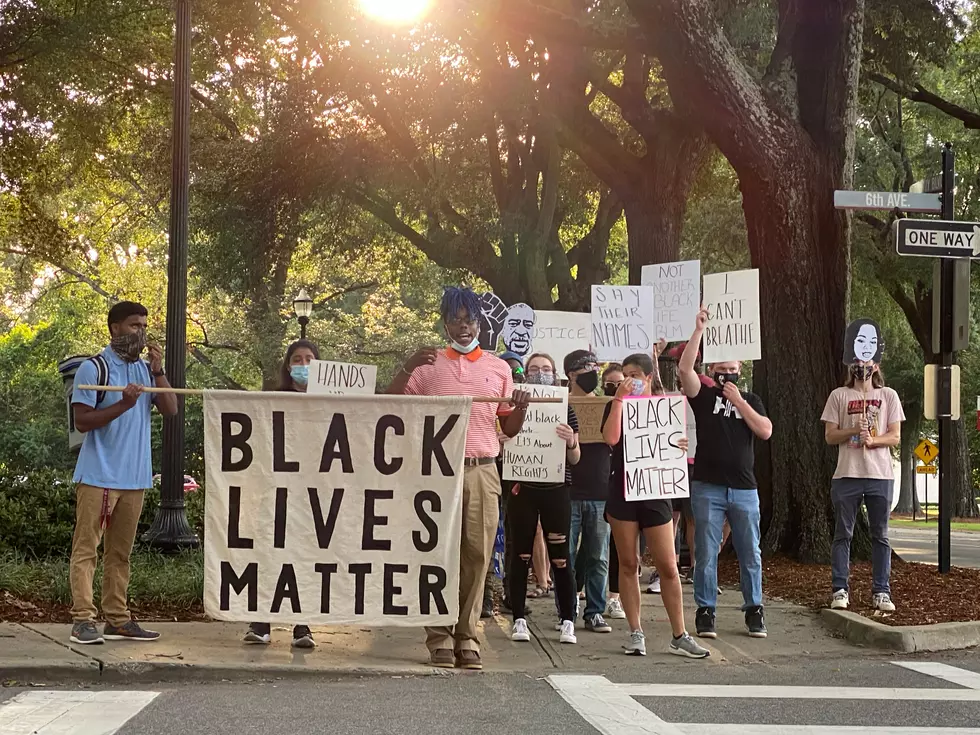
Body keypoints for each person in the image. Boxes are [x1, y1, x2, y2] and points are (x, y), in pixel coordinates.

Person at [390, 286, 530, 670]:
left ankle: (467, 635)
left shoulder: (499, 368)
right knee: (437, 554)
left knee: (477, 554)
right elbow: (388, 404)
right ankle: (438, 636)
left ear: (479, 322)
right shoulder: (426, 364)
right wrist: (405, 367)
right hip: (435, 471)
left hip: (483, 469)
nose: (463, 327)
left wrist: (519, 408)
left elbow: (510, 427)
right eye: (455, 319)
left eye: (469, 319)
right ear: (444, 322)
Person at [68, 301, 178, 645]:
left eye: (143, 325)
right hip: (99, 475)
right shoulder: (94, 367)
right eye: (134, 325)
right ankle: (82, 620)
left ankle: (117, 618)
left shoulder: (145, 370)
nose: (141, 332)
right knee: (87, 549)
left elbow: (171, 408)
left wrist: (158, 371)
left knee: (120, 554)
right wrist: (124, 404)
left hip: (135, 478)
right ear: (115, 328)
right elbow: (82, 420)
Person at [602, 351, 709, 659]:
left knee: (668, 566)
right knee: (628, 563)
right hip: (624, 491)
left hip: (656, 491)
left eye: (634, 375)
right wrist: (620, 400)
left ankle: (680, 634)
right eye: (625, 375)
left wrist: (680, 446)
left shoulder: (665, 407)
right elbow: (611, 438)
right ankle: (636, 632)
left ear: (649, 377)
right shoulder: (616, 405)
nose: (628, 380)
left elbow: (677, 443)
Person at [679, 308, 773, 640]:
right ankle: (705, 611)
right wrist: (699, 330)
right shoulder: (704, 397)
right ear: (713, 372)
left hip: (744, 489)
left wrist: (740, 402)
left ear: (740, 372)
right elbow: (684, 369)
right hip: (708, 486)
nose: (727, 376)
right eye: (721, 371)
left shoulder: (752, 399)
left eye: (732, 370)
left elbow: (764, 431)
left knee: (750, 550)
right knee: (705, 550)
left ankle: (754, 609)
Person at [243, 340, 320, 648]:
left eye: (309, 359)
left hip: (314, 493)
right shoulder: (273, 399)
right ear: (288, 366)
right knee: (269, 554)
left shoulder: (334, 401)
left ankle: (303, 626)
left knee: (307, 558)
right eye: (297, 359)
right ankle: (261, 622)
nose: (303, 364)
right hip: (276, 489)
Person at [821, 347, 903, 612]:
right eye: (857, 359)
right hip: (847, 474)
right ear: (850, 364)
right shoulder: (839, 396)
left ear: (876, 365)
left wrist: (874, 440)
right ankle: (840, 589)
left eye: (867, 359)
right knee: (843, 534)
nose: (862, 364)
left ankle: (881, 591)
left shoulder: (888, 396)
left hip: (880, 476)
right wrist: (853, 430)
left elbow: (895, 436)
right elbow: (830, 436)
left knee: (881, 535)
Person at [508, 353, 581, 645]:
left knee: (561, 558)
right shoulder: (513, 406)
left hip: (556, 489)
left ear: (555, 375)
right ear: (525, 374)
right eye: (535, 369)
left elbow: (576, 459)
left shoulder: (565, 407)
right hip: (522, 489)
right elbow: (503, 441)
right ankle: (518, 619)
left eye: (546, 369)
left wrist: (572, 442)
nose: (541, 373)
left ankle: (567, 620)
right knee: (520, 556)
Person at [564, 349, 613, 634]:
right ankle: (567, 610)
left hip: (599, 491)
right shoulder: (559, 405)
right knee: (566, 557)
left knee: (598, 556)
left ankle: (595, 611)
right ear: (571, 373)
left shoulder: (607, 405)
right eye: (586, 369)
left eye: (596, 368)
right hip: (567, 490)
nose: (593, 373)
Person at [600, 363, 627, 621]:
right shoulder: (605, 407)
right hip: (598, 481)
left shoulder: (643, 406)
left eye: (623, 382)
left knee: (620, 547)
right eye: (612, 383)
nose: (619, 387)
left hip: (628, 484)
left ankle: (615, 597)